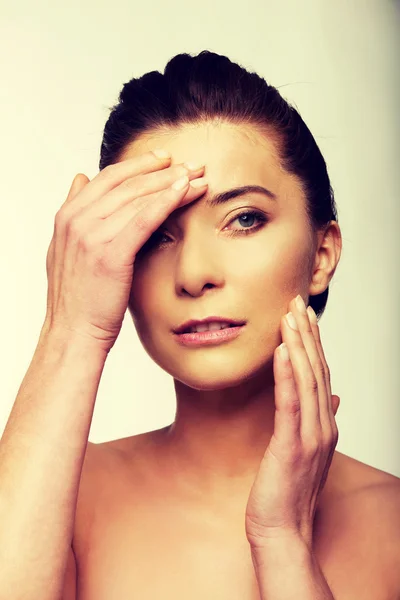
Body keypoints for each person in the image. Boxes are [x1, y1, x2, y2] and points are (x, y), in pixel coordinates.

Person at [1, 50, 399, 600]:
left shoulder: (391, 525)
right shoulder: (65, 497)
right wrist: (71, 328)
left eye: (244, 219)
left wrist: (282, 542)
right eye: (157, 235)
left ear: (322, 254)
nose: (193, 274)